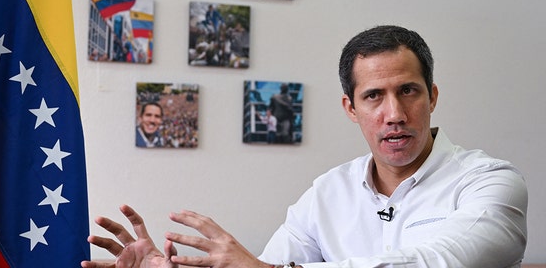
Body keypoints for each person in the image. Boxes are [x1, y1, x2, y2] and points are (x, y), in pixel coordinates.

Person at [83, 25, 528, 268]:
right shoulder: (326, 193)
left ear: (432, 97)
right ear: (351, 108)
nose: (394, 113)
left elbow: (439, 263)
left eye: (408, 91)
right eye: (373, 96)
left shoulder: (490, 183)